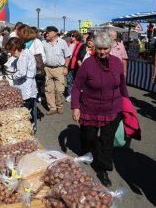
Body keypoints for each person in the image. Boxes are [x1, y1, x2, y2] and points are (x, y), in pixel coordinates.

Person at [71, 32, 129, 187]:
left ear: (111, 47)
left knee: (106, 141)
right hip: (90, 108)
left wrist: (126, 104)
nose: (102, 52)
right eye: (100, 48)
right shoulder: (88, 64)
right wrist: (75, 107)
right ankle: (86, 151)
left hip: (112, 109)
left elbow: (122, 84)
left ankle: (103, 168)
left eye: (106, 48)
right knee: (89, 137)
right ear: (94, 47)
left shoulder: (117, 62)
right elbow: (76, 87)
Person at [5, 37, 38, 131]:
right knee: (29, 108)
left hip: (25, 86)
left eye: (11, 51)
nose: (11, 53)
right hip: (28, 85)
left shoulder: (23, 56)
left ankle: (26, 129)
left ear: (15, 49)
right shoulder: (26, 52)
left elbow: (22, 72)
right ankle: (30, 127)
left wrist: (12, 76)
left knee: (25, 110)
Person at [42, 26, 72, 115]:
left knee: (59, 90)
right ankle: (52, 108)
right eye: (46, 32)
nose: (46, 34)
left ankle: (59, 105)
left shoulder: (62, 43)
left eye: (48, 32)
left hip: (59, 69)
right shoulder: (44, 43)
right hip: (47, 68)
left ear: (55, 33)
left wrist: (66, 67)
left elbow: (67, 56)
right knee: (48, 89)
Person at [17, 25, 46, 102]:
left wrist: (31, 63)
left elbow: (42, 57)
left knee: (31, 94)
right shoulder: (23, 42)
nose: (17, 35)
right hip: (24, 72)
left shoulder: (36, 42)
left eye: (19, 33)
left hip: (32, 71)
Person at [65, 31, 81, 102]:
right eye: (71, 36)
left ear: (76, 36)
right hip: (68, 65)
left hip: (76, 65)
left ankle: (75, 95)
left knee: (75, 81)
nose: (71, 37)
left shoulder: (80, 45)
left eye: (73, 36)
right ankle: (69, 94)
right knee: (69, 81)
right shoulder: (68, 44)